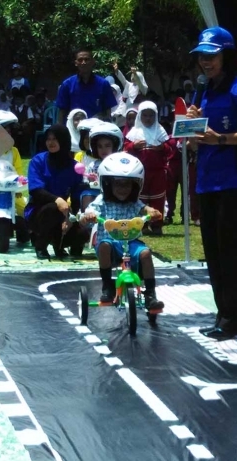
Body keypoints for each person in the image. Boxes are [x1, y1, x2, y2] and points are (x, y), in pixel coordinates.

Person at [186, 26, 237, 341]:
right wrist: (192, 124)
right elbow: (197, 137)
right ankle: (223, 315)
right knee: (214, 253)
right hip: (208, 180)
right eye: (202, 56)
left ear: (227, 56)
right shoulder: (204, 90)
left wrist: (218, 138)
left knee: (232, 254)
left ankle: (236, 320)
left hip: (235, 183)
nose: (206, 62)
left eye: (212, 56)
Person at [80, 152, 165, 309]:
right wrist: (88, 216)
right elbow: (88, 212)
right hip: (110, 243)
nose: (123, 189)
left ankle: (151, 294)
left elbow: (145, 209)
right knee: (104, 245)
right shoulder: (101, 201)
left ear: (135, 186)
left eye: (127, 184)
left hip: (131, 242)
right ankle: (107, 286)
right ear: (107, 184)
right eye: (118, 184)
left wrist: (152, 212)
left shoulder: (134, 203)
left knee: (145, 253)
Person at [25, 124, 89, 259]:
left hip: (64, 212)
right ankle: (40, 245)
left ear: (64, 140)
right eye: (48, 139)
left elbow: (76, 197)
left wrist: (71, 219)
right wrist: (57, 200)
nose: (51, 142)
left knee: (83, 230)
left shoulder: (74, 167)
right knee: (53, 209)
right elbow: (35, 190)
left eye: (55, 139)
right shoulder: (38, 160)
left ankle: (59, 245)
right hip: (38, 212)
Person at [124, 101, 172, 236]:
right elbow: (126, 149)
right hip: (140, 172)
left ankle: (156, 224)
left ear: (155, 116)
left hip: (158, 172)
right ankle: (142, 224)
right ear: (140, 116)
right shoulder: (134, 132)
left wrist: (163, 147)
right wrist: (134, 146)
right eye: (145, 115)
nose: (148, 118)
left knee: (158, 198)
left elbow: (170, 149)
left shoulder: (160, 131)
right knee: (141, 198)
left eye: (151, 115)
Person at [56, 47, 118, 123]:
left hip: (96, 129)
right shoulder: (67, 85)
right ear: (76, 63)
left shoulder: (103, 84)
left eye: (86, 59)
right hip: (73, 129)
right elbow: (62, 112)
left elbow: (108, 112)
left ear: (92, 62)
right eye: (80, 60)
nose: (83, 62)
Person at [80, 122, 124, 212]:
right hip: (95, 192)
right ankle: (87, 222)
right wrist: (90, 179)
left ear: (115, 146)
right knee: (86, 196)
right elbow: (85, 179)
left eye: (107, 146)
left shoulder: (120, 163)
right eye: (100, 146)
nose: (103, 150)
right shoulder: (93, 165)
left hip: (115, 192)